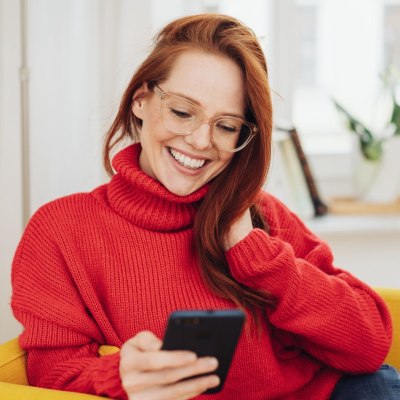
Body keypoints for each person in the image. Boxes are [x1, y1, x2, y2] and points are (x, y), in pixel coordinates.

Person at [10, 13, 399, 400]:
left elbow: (370, 344)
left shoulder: (258, 213)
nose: (199, 141)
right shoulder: (61, 229)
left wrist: (256, 255)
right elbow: (52, 371)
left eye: (226, 126)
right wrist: (119, 377)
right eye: (182, 111)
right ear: (141, 100)